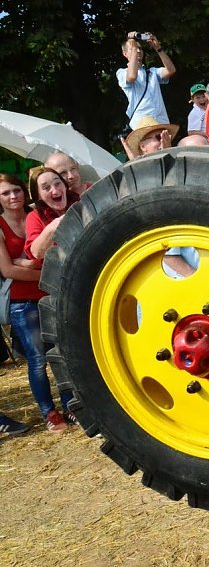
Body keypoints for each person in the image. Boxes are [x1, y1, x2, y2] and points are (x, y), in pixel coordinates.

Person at [0, 172, 73, 432]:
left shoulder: (38, 214)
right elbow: (8, 270)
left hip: (50, 295)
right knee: (37, 359)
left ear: (25, 192)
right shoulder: (2, 225)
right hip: (23, 302)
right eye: (5, 193)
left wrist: (32, 264)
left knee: (62, 353)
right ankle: (49, 412)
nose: (12, 197)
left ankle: (70, 406)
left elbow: (34, 256)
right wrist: (48, 273)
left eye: (16, 191)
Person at [117, 32, 176, 129]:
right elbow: (132, 76)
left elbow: (171, 70)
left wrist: (158, 48)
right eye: (133, 48)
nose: (138, 51)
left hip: (161, 121)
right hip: (142, 123)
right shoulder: (122, 72)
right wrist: (132, 41)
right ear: (125, 54)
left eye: (140, 48)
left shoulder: (152, 72)